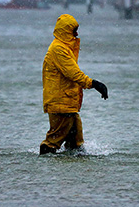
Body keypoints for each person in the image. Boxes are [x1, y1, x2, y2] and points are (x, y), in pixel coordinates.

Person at [40, 14, 108, 155]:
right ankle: (46, 168)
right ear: (65, 31)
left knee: (75, 141)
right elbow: (73, 74)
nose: (76, 34)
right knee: (53, 141)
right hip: (60, 103)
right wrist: (94, 84)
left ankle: (72, 170)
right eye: (74, 30)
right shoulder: (58, 50)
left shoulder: (63, 47)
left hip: (66, 103)